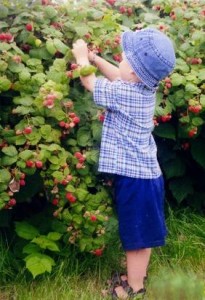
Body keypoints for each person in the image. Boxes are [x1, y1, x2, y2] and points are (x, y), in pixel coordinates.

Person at [72, 27, 176, 299]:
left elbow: (91, 84)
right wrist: (97, 60)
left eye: (125, 56)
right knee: (143, 233)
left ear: (134, 73)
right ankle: (137, 276)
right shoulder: (142, 86)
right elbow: (119, 75)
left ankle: (134, 288)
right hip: (145, 176)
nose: (121, 56)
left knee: (135, 237)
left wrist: (83, 59)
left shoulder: (126, 94)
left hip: (136, 180)